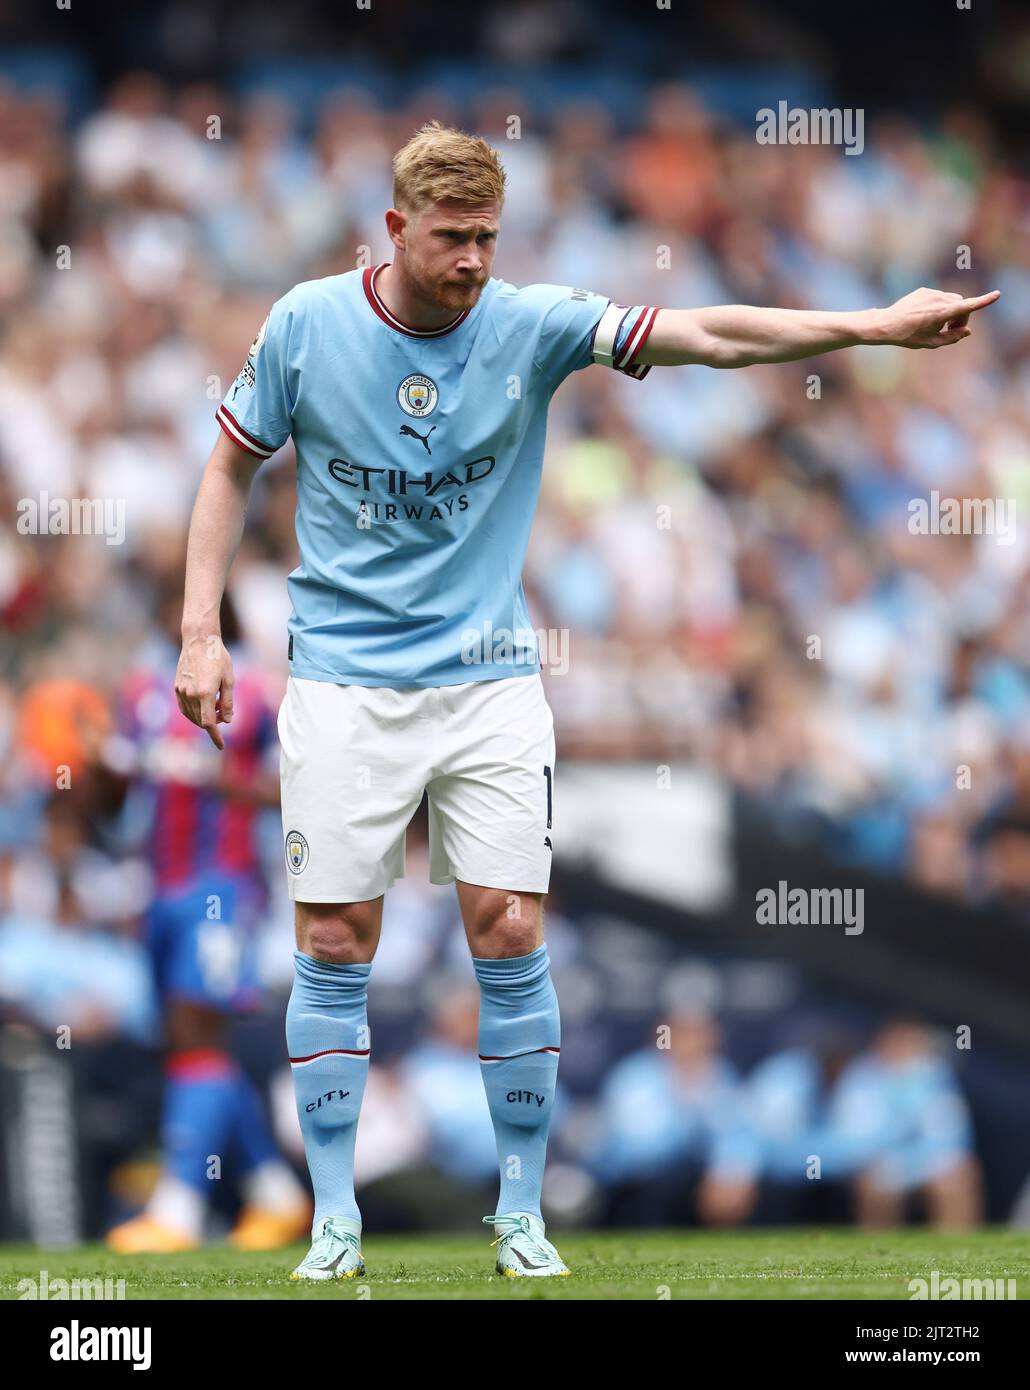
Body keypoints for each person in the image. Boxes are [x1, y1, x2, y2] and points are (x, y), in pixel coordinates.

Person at [173, 120, 999, 1279]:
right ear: (395, 228)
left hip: (488, 681)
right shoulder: (308, 324)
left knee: (510, 928)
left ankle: (519, 1214)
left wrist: (866, 325)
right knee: (334, 939)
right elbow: (228, 466)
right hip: (344, 679)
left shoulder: (532, 321)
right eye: (450, 238)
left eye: (486, 239)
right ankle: (333, 1216)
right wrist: (201, 632)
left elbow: (703, 332)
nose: (471, 261)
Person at [102, 584, 311, 1252]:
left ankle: (180, 1207)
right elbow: (114, 801)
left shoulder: (256, 691)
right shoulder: (141, 691)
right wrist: (99, 758)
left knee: (197, 1032)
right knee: (195, 1046)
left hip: (223, 887)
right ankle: (277, 1196)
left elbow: (291, 791)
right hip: (159, 888)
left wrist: (204, 774)